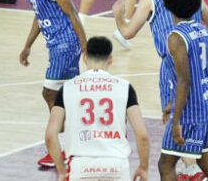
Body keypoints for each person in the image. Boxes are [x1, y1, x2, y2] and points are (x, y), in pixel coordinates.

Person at [112, 0, 208, 181]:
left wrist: (118, 16)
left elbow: (128, 32)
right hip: (206, 88)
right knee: (205, 157)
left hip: (174, 70)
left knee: (169, 150)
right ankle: (191, 166)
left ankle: (191, 169)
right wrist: (196, 41)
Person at [18, 0, 88, 168]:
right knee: (66, 97)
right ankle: (75, 144)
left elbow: (74, 15)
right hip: (54, 44)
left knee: (50, 93)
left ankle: (60, 148)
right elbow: (40, 15)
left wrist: (85, 47)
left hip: (65, 44)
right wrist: (28, 45)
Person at [45, 36, 150, 181]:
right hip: (116, 165)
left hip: (81, 166)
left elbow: (50, 136)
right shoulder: (125, 88)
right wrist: (143, 167)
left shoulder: (67, 88)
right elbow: (142, 135)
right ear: (110, 59)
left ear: (84, 57)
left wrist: (62, 171)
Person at [158, 0, 208, 181]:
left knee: (166, 164)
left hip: (191, 109)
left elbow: (184, 81)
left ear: (170, 6)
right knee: (206, 162)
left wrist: (176, 120)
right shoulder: (202, 30)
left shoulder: (176, 37)